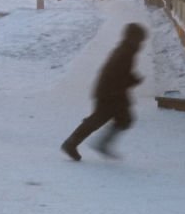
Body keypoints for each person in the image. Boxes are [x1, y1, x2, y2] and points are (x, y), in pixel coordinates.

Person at [61, 22, 147, 161]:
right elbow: (116, 74)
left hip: (111, 92)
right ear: (134, 38)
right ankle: (74, 144)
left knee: (119, 120)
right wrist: (132, 81)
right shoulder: (126, 51)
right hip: (110, 93)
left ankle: (86, 144)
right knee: (104, 120)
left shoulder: (126, 49)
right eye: (141, 39)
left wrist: (132, 79)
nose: (142, 43)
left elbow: (122, 72)